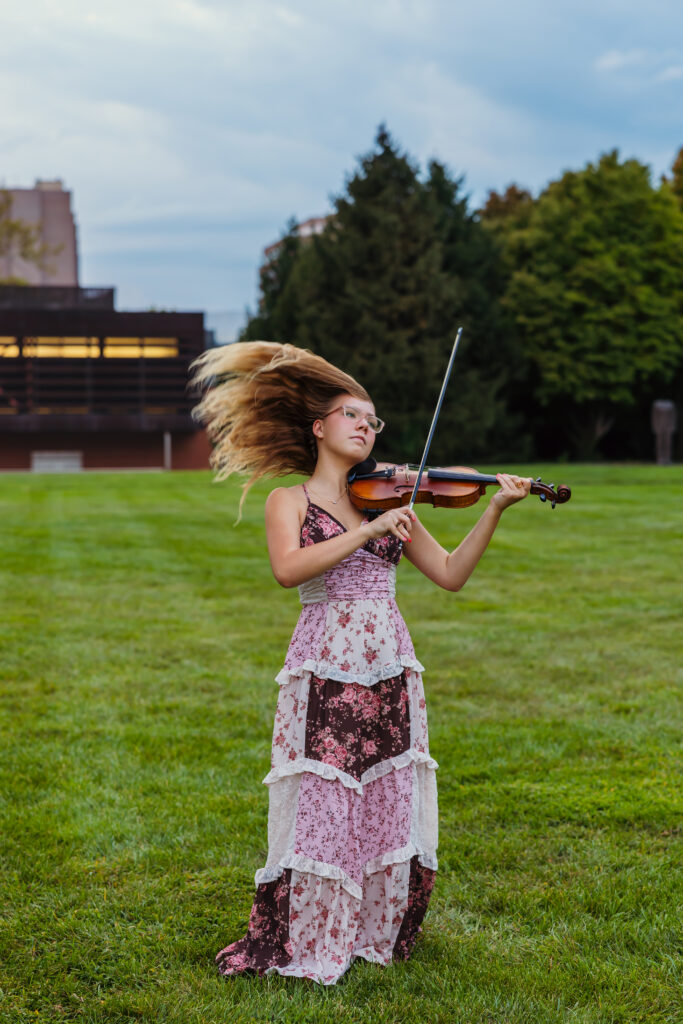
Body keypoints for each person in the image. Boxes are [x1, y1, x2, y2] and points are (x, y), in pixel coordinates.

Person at [190, 340, 531, 986]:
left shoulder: (388, 500)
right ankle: (314, 931)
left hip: (388, 658)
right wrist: (368, 532)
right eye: (353, 415)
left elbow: (451, 574)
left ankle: (371, 928)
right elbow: (289, 571)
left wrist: (492, 508)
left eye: (372, 421)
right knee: (326, 792)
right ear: (319, 427)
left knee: (383, 793)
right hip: (325, 660)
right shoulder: (289, 501)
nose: (366, 427)